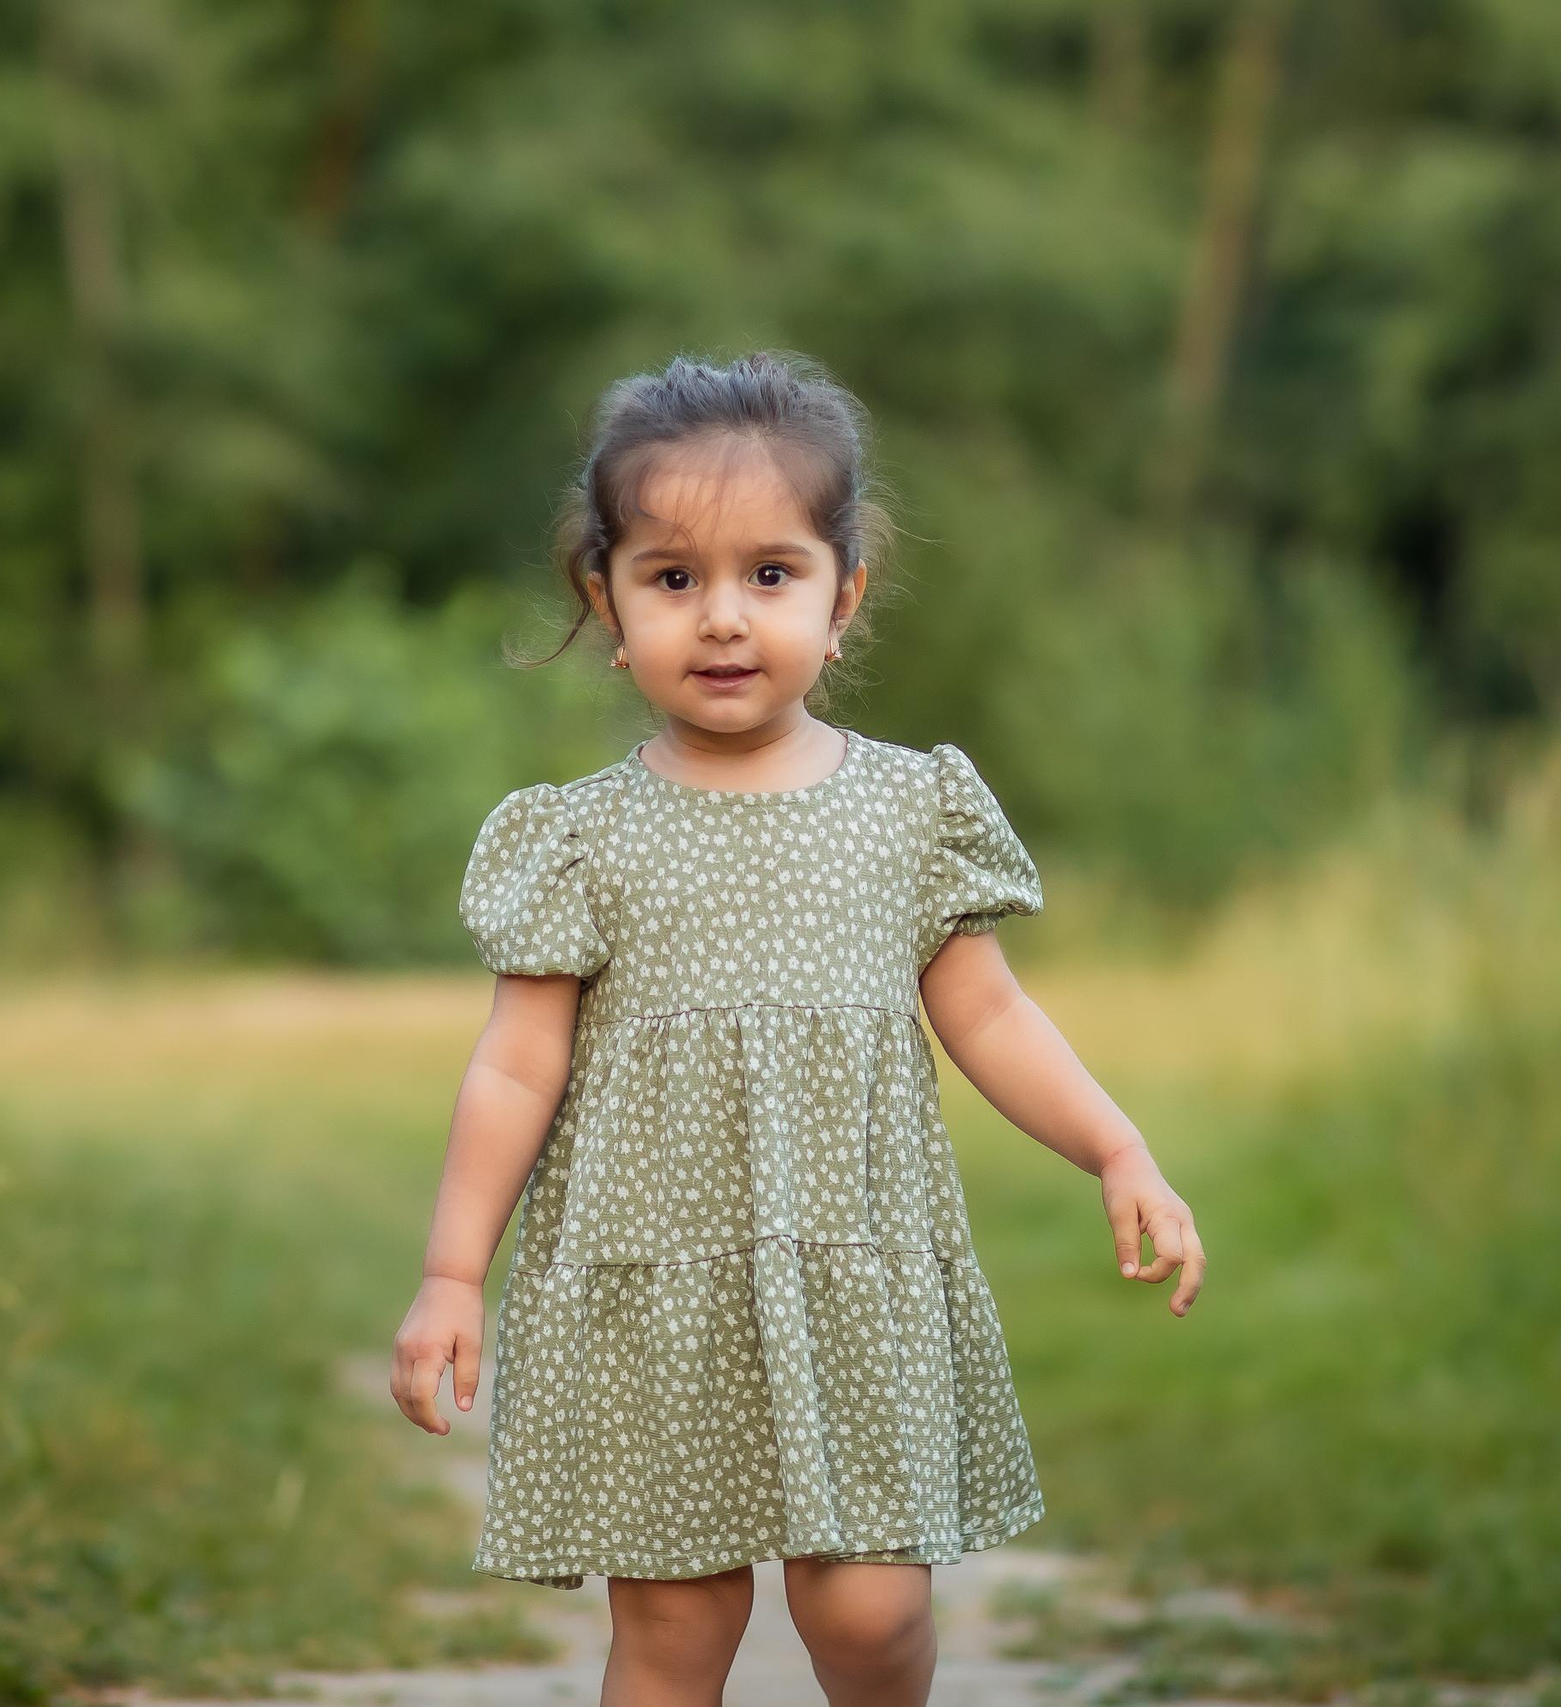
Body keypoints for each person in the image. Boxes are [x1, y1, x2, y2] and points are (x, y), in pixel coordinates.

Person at [389, 350, 1206, 1707]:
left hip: (857, 1277)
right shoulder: (579, 838)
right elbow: (516, 1063)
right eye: (671, 579)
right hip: (648, 1288)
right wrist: (452, 1272)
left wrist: (1120, 1152)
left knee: (873, 1616)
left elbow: (990, 1013)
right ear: (606, 602)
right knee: (676, 1632)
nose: (721, 619)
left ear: (844, 600)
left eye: (770, 575)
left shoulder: (908, 811)